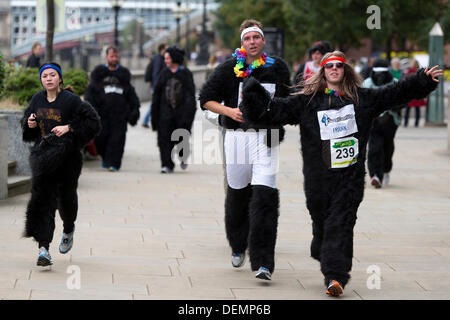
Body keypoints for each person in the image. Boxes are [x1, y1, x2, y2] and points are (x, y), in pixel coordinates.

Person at [240, 51, 442, 296]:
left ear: (345, 70)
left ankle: (335, 277)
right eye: (329, 66)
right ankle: (321, 245)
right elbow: (274, 112)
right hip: (317, 178)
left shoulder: (362, 99)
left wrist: (422, 80)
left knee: (342, 223)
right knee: (322, 222)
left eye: (338, 65)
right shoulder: (307, 101)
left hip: (350, 177)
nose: (334, 69)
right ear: (322, 71)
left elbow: (394, 93)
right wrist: (252, 94)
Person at [199, 19, 291, 281]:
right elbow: (205, 99)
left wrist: (277, 114)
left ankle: (263, 262)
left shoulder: (278, 68)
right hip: (237, 137)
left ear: (263, 42)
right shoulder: (229, 68)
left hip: (267, 136)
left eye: (256, 38)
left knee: (264, 196)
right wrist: (229, 111)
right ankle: (238, 245)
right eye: (247, 38)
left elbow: (290, 99)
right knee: (238, 193)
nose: (252, 42)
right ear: (242, 43)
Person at [21, 62, 101, 266]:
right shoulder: (37, 99)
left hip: (68, 160)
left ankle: (68, 229)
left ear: (59, 78)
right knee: (43, 202)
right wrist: (29, 123)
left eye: (52, 75)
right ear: (41, 79)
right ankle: (44, 249)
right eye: (44, 76)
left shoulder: (72, 101)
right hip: (43, 159)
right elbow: (28, 128)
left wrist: (69, 127)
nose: (48, 78)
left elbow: (93, 122)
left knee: (66, 198)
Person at [84, 45, 140, 171]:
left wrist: (134, 110)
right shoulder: (98, 74)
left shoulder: (124, 75)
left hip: (120, 115)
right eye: (112, 56)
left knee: (118, 140)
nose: (114, 59)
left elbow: (131, 94)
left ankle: (114, 163)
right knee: (100, 139)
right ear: (106, 57)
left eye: (116, 56)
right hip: (102, 115)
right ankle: (105, 157)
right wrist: (90, 111)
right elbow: (90, 94)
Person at [151, 46, 196, 173]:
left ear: (174, 58)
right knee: (164, 139)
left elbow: (190, 95)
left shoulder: (186, 73)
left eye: (167, 58)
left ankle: (183, 156)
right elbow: (157, 95)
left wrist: (188, 113)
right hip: (165, 114)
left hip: (182, 114)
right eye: (164, 58)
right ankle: (166, 164)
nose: (165, 60)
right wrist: (155, 115)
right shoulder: (164, 73)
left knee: (182, 138)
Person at [363, 58, 404, 188]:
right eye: (377, 73)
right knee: (374, 148)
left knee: (387, 147)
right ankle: (375, 175)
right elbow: (362, 102)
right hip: (373, 121)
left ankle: (386, 169)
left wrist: (393, 106)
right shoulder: (367, 83)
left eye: (382, 73)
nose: (380, 76)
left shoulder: (395, 83)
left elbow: (402, 101)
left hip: (390, 121)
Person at [142, 43, 168, 128]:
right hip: (156, 86)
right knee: (154, 104)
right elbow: (156, 74)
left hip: (158, 85)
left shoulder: (162, 58)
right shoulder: (158, 59)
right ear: (162, 49)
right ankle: (145, 121)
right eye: (166, 49)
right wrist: (158, 86)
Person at [404, 59, 427, 127]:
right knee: (417, 109)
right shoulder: (419, 71)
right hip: (417, 92)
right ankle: (416, 123)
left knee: (408, 109)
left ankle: (406, 123)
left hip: (410, 92)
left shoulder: (410, 71)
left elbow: (406, 80)